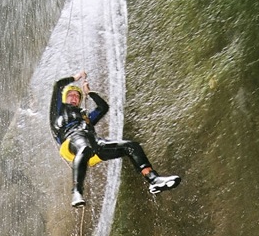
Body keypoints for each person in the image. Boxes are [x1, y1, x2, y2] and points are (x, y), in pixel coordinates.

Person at [49, 71, 181, 207]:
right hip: (70, 140)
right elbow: (58, 85)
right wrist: (76, 78)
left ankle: (154, 180)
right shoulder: (58, 110)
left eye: (77, 96)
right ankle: (77, 192)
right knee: (84, 147)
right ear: (64, 98)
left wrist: (89, 93)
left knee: (131, 146)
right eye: (71, 95)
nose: (74, 98)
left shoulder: (85, 117)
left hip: (93, 143)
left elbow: (103, 108)